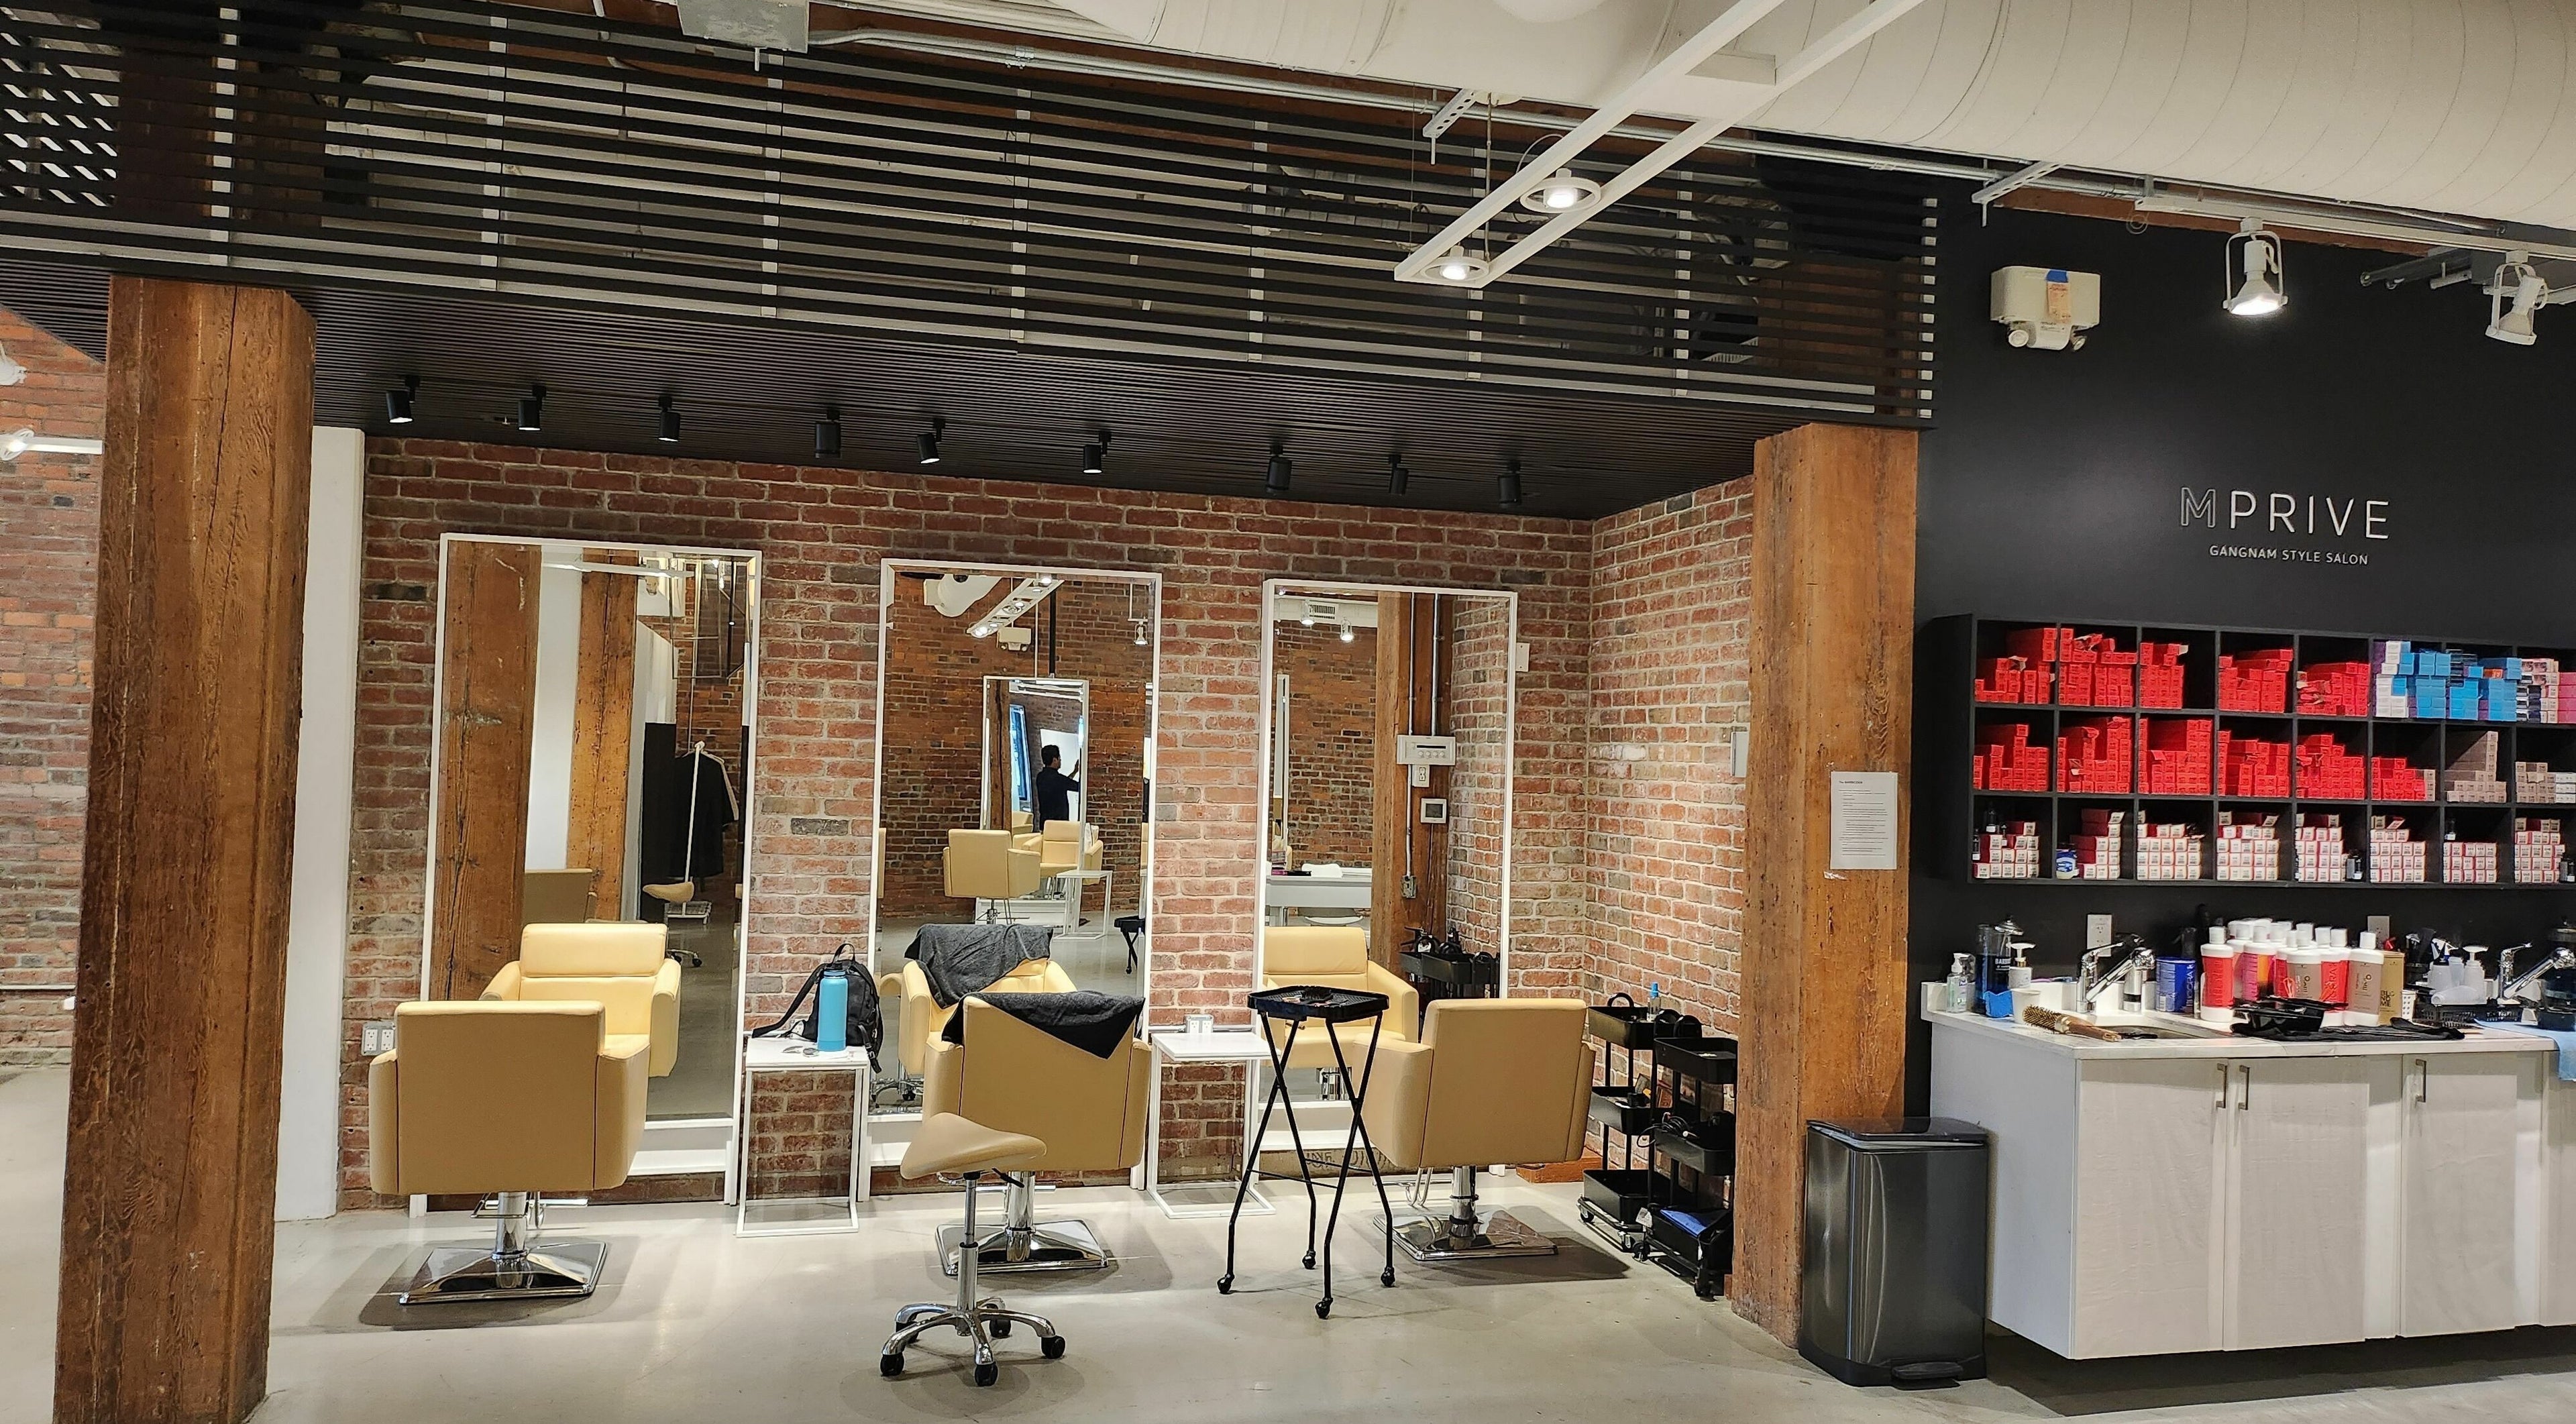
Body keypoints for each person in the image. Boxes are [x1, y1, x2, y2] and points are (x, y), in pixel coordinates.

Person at [1033, 745, 1081, 829]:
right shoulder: (1058, 779)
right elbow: (1079, 787)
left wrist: (1074, 772)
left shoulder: (1040, 777)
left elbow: (1065, 782)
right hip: (1059, 825)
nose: (1060, 760)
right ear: (1055, 760)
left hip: (1045, 824)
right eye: (1059, 758)